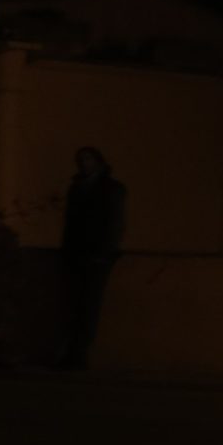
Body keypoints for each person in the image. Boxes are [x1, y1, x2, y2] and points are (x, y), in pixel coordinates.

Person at [58, 145, 125, 368]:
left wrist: (104, 252)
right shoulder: (78, 188)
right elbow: (70, 224)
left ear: (98, 161)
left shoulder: (110, 189)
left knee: (88, 306)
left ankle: (78, 354)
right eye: (81, 159)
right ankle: (73, 353)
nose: (83, 163)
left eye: (87, 159)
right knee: (76, 305)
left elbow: (114, 223)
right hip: (79, 255)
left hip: (96, 256)